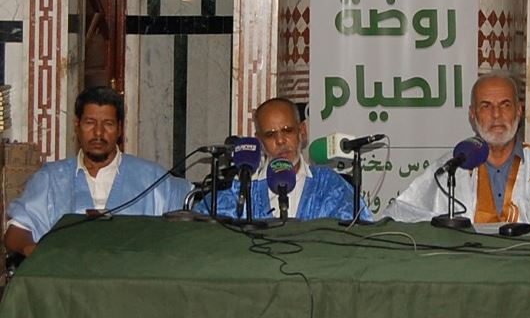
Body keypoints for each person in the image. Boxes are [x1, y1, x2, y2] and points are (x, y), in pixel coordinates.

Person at [4, 86, 193, 257]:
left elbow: (189, 224)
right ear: (77, 125)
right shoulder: (51, 178)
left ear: (120, 129)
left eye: (108, 124)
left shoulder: (153, 178)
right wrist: (35, 251)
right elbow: (16, 232)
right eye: (90, 123)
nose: (98, 133)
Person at [385, 72, 530, 225]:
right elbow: (402, 215)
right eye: (486, 106)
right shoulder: (452, 167)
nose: (496, 115)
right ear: (472, 115)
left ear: (518, 111)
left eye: (505, 105)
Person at [194, 97, 371, 221]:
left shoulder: (330, 186)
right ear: (259, 141)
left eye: (287, 130)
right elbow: (198, 229)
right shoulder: (242, 189)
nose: (280, 141)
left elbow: (360, 232)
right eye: (270, 135)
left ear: (302, 132)